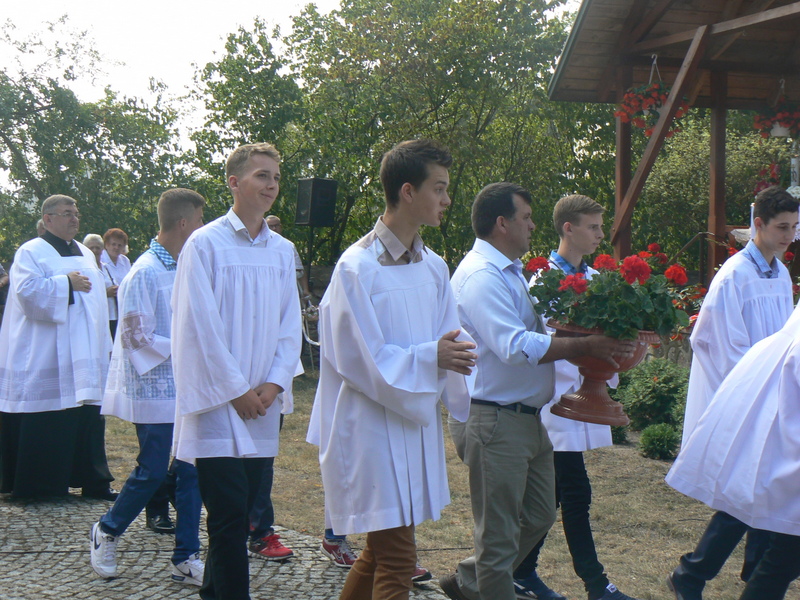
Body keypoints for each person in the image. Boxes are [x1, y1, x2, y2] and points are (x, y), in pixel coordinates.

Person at [439, 182, 635, 600]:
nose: (532, 226)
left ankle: (469, 580)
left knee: (540, 515)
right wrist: (587, 345)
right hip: (494, 417)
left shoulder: (510, 272)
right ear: (502, 223)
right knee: (499, 538)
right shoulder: (481, 275)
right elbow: (514, 346)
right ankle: (486, 582)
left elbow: (536, 338)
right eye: (526, 218)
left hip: (528, 416)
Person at [307, 138, 476, 600]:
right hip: (370, 429)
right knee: (398, 559)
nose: (446, 199)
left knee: (379, 553)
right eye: (439, 188)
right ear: (407, 191)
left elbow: (449, 338)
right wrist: (430, 357)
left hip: (413, 424)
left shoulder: (434, 267)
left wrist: (460, 358)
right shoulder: (356, 268)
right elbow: (359, 359)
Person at [171, 142, 302, 600]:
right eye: (262, 175)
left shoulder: (282, 250)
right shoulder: (205, 244)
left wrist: (275, 382)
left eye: (276, 177)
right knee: (226, 517)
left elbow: (289, 323)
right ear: (234, 182)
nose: (271, 185)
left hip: (263, 403)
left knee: (244, 512)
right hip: (219, 402)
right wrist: (235, 389)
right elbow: (198, 325)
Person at [666, 185, 798, 600]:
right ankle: (700, 573)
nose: (789, 236)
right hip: (749, 395)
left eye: (794, 227)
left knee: (761, 488)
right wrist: (753, 389)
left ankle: (729, 574)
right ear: (758, 224)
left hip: (776, 394)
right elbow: (715, 340)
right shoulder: (734, 275)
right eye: (782, 227)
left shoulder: (780, 274)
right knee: (749, 490)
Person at [511, 194, 639, 600]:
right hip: (553, 401)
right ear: (569, 228)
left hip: (583, 397)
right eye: (593, 227)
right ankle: (596, 584)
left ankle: (519, 570)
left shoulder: (600, 281)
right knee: (575, 492)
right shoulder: (541, 282)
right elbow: (542, 343)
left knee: (552, 495)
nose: (601, 235)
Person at [89, 188, 206, 584]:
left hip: (187, 384)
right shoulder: (145, 272)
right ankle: (107, 529)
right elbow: (135, 337)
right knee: (153, 470)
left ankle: (186, 556)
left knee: (190, 470)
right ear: (184, 223)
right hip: (154, 386)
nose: (203, 229)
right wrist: (188, 345)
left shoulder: (183, 265)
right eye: (200, 221)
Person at [0, 194, 115, 499]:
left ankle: (93, 481)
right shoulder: (31, 251)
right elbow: (26, 294)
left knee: (88, 416)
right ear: (48, 218)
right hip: (47, 351)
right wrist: (66, 284)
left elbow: (97, 301)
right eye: (67, 213)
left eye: (76, 213)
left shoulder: (85, 252)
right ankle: (42, 486)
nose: (74, 219)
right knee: (49, 417)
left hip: (85, 351)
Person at [266, 215, 313, 300]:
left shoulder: (288, 245)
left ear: (281, 227)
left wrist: (305, 290)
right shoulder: (257, 246)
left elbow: (299, 270)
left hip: (285, 290)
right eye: (270, 226)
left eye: (276, 225)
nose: (274, 229)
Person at [101, 228, 131, 339]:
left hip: (122, 311)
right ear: (107, 245)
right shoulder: (99, 260)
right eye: (113, 244)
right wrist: (105, 293)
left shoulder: (125, 261)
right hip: (107, 312)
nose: (116, 248)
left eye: (120, 245)